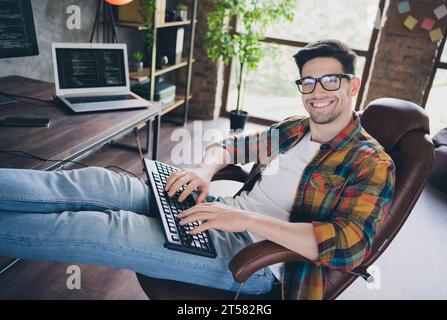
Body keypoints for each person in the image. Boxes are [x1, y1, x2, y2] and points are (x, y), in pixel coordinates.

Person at [0, 40, 395, 300]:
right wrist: (205, 172)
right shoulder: (295, 129)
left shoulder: (370, 162)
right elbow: (230, 146)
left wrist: (238, 217)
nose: (317, 92)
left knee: (98, 226)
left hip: (255, 261)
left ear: (352, 84)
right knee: (98, 182)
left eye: (329, 80)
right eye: (307, 82)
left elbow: (348, 247)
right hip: (221, 212)